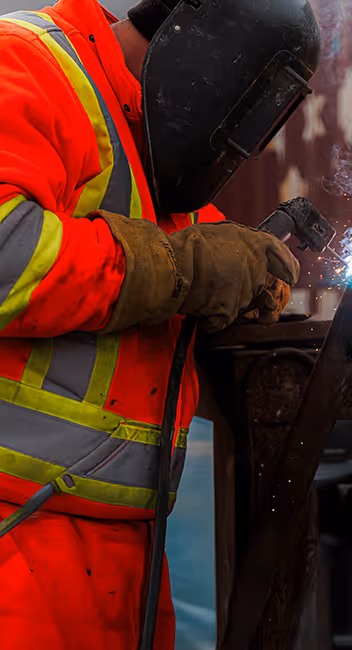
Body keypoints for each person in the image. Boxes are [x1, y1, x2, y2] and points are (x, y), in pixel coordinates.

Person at [0, 0, 320, 647]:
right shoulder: (25, 61)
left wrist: (244, 278)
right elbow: (8, 258)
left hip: (124, 558)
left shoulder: (147, 151)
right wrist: (183, 270)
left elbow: (173, 257)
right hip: (18, 545)